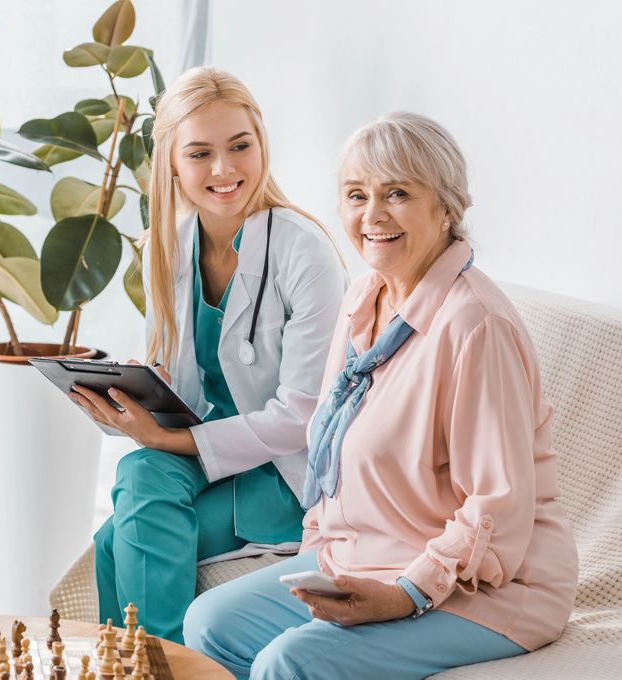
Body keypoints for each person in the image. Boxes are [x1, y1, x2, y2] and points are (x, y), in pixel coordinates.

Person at [183, 112, 579, 679]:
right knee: (209, 623)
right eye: (356, 195)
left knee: (288, 662)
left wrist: (406, 593)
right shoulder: (364, 298)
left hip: (488, 589)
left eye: (397, 193)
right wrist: (320, 555)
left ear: (446, 208)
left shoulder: (475, 326)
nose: (372, 215)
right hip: (364, 557)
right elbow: (329, 449)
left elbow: (497, 505)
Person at [68, 67, 346, 643]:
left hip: (283, 471)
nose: (224, 169)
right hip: (204, 446)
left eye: (240, 146)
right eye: (200, 153)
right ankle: (151, 667)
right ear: (172, 163)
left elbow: (299, 419)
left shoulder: (305, 253)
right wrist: (138, 391)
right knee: (136, 481)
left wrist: (164, 439)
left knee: (118, 538)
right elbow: (184, 385)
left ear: (261, 144)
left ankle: (165, 666)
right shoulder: (170, 246)